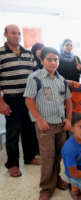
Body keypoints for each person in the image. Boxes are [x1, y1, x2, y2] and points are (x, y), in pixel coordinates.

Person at [24, 47, 72, 200]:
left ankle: (56, 179)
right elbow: (29, 100)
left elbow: (68, 101)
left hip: (60, 124)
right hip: (45, 125)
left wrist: (68, 119)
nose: (53, 62)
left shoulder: (61, 80)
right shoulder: (35, 78)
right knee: (47, 157)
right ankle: (46, 188)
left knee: (58, 156)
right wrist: (39, 120)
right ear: (42, 60)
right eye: (49, 59)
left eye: (55, 59)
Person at [0, 24, 39, 177]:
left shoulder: (28, 54)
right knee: (13, 133)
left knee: (28, 130)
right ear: (5, 34)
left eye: (18, 33)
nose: (17, 36)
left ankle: (29, 157)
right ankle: (13, 164)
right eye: (13, 33)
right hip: (11, 99)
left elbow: (35, 75)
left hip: (28, 99)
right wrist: (1, 103)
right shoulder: (1, 54)